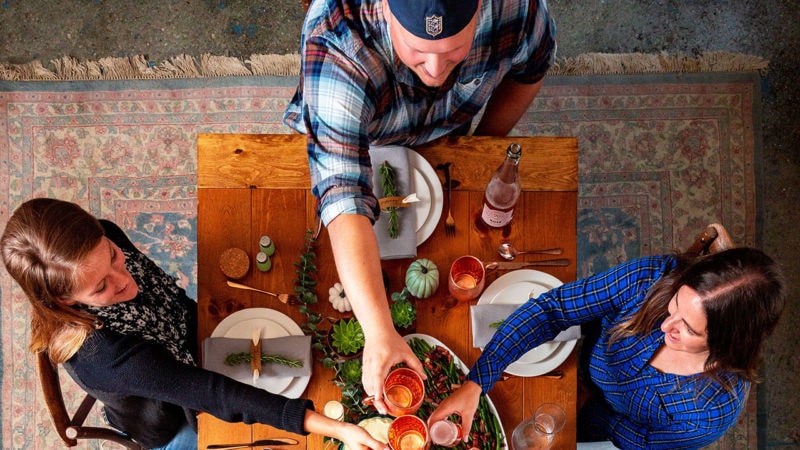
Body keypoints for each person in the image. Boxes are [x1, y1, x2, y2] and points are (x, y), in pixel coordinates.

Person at [283, 0, 557, 412]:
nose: (433, 70)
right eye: (417, 50)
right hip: (360, 137)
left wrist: (481, 146)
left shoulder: (518, 9)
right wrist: (378, 332)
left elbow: (531, 68)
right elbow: (343, 196)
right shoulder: (336, 39)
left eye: (452, 53)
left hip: (449, 129)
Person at [0, 198, 386, 450]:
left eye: (115, 257)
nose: (126, 281)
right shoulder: (107, 358)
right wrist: (339, 430)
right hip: (167, 422)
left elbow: (166, 300)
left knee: (299, 355)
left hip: (186, 344)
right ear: (66, 300)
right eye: (102, 287)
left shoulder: (104, 232)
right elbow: (215, 394)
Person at [427, 247, 785, 449]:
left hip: (603, 425)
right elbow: (553, 309)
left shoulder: (708, 413)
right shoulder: (651, 278)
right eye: (675, 304)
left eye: (688, 329)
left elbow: (644, 444)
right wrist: (476, 383)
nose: (664, 326)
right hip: (578, 359)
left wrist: (597, 415)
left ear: (727, 345)